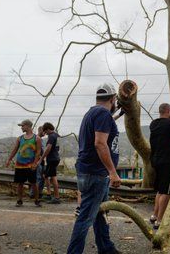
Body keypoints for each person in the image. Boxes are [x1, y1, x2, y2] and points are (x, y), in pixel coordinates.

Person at [67, 83, 122, 254]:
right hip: (95, 173)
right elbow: (100, 143)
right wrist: (113, 172)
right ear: (113, 99)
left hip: (91, 171)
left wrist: (119, 113)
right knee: (85, 217)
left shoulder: (93, 112)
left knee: (100, 212)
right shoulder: (102, 114)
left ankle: (106, 248)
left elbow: (106, 124)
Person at [5, 119, 42, 207]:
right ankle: (19, 200)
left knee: (33, 183)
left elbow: (38, 152)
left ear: (28, 126)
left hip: (30, 165)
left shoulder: (37, 138)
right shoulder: (20, 138)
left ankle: (37, 200)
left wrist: (35, 163)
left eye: (22, 126)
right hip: (19, 165)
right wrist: (9, 159)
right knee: (20, 183)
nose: (21, 127)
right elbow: (15, 149)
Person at [39, 122, 61, 204]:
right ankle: (49, 194)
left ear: (48, 129)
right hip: (55, 158)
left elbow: (48, 148)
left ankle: (57, 198)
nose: (45, 133)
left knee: (53, 177)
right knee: (46, 175)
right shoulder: (57, 135)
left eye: (45, 131)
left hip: (52, 159)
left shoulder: (51, 136)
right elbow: (58, 147)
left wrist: (41, 158)